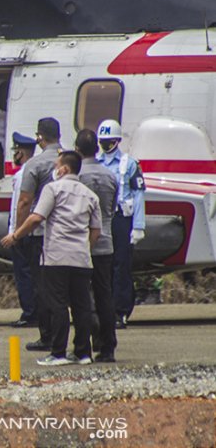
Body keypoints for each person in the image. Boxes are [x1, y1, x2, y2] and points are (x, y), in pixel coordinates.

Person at [3, 151, 101, 366]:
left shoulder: (53, 189)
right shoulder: (90, 195)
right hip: (81, 259)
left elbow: (37, 217)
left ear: (64, 169)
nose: (55, 169)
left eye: (57, 165)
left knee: (57, 305)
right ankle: (83, 352)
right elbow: (96, 230)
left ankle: (58, 353)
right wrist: (85, 248)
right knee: (81, 306)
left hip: (57, 256)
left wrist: (16, 235)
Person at [15, 118, 63, 351]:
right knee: (65, 287)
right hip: (66, 232)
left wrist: (18, 231)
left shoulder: (35, 164)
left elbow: (25, 201)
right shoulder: (71, 161)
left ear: (39, 137)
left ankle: (47, 337)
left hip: (40, 232)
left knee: (42, 286)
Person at [96, 119, 146, 329]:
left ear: (117, 140)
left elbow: (138, 195)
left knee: (121, 265)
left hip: (121, 219)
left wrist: (138, 226)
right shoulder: (96, 162)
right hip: (101, 219)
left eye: (109, 141)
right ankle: (103, 309)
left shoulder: (129, 163)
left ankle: (121, 311)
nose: (106, 145)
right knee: (102, 265)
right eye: (102, 141)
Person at [76, 130, 118, 362]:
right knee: (104, 294)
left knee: (81, 296)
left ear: (78, 150)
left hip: (82, 244)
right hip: (106, 242)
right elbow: (112, 209)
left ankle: (86, 344)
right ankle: (108, 346)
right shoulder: (110, 176)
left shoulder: (78, 176)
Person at [8, 132, 38, 328]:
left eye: (15, 151)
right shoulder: (35, 170)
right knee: (32, 273)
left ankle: (30, 313)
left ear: (21, 152)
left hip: (22, 230)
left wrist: (15, 232)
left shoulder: (23, 175)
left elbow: (20, 204)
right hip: (32, 229)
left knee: (24, 274)